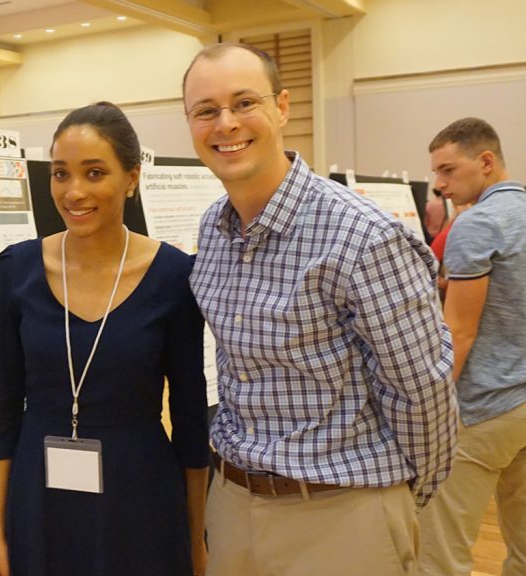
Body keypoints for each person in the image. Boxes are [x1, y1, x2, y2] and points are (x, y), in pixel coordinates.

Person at [182, 43, 457, 576]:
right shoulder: (212, 230)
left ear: (282, 107)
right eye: (206, 110)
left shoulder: (364, 236)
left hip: (342, 513)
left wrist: (398, 500)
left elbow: (422, 389)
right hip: (234, 504)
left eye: (244, 102)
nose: (226, 123)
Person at [0, 101, 210, 576]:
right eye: (61, 174)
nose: (74, 191)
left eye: (94, 172)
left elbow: (190, 417)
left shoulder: (173, 276)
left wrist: (196, 536)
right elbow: (1, 409)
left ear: (131, 178)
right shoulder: (15, 270)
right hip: (39, 494)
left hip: (139, 494)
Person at [419, 117, 526, 576]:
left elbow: (458, 332)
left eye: (448, 170)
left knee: (440, 558)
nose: (439, 185)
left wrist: (430, 406)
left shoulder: (477, 223)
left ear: (485, 161)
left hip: (484, 408)